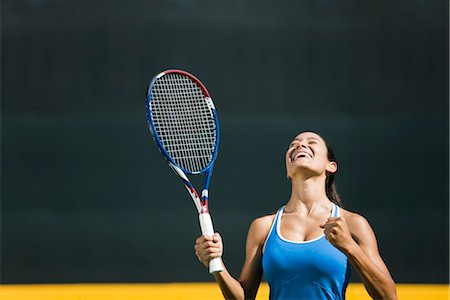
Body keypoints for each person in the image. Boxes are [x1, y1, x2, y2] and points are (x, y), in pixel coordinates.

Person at [194, 131, 397, 299]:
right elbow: (245, 297)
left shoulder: (353, 224)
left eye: (311, 142)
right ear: (287, 170)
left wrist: (350, 247)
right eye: (294, 144)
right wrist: (216, 264)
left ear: (331, 166)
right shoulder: (263, 227)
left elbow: (389, 297)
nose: (300, 146)